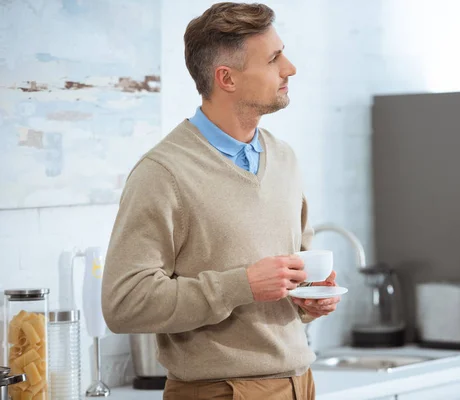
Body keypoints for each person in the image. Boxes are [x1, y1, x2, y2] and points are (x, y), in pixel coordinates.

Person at [101, 2, 340, 399]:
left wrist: (309, 300)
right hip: (220, 391)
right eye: (274, 59)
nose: (290, 68)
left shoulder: (284, 158)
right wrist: (240, 285)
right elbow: (124, 302)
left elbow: (292, 274)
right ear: (226, 78)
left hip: (301, 383)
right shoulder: (164, 173)